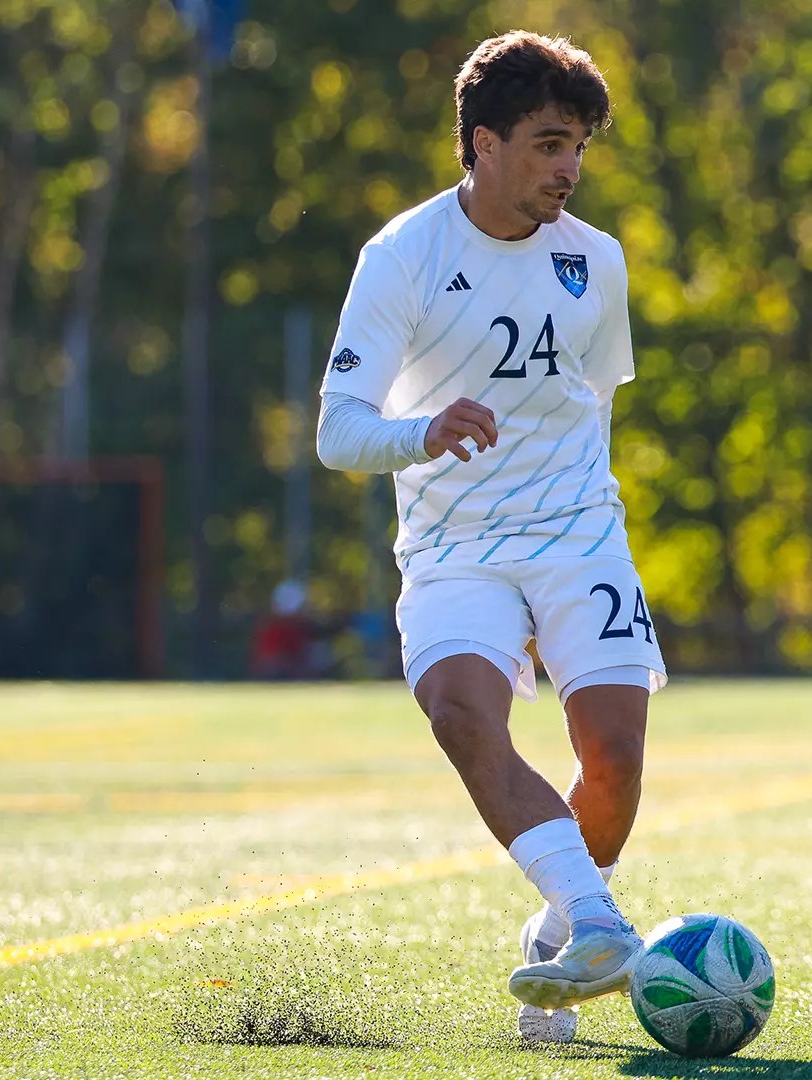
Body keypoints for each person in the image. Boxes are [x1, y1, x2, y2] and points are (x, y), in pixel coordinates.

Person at [314, 31, 664, 1043]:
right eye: (551, 142)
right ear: (483, 143)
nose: (570, 168)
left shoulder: (594, 262)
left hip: (578, 537)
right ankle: (601, 924)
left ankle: (559, 933)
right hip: (455, 547)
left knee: (616, 761)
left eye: (581, 147)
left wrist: (578, 522)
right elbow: (339, 433)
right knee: (463, 715)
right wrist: (425, 431)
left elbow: (588, 404)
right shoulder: (403, 257)